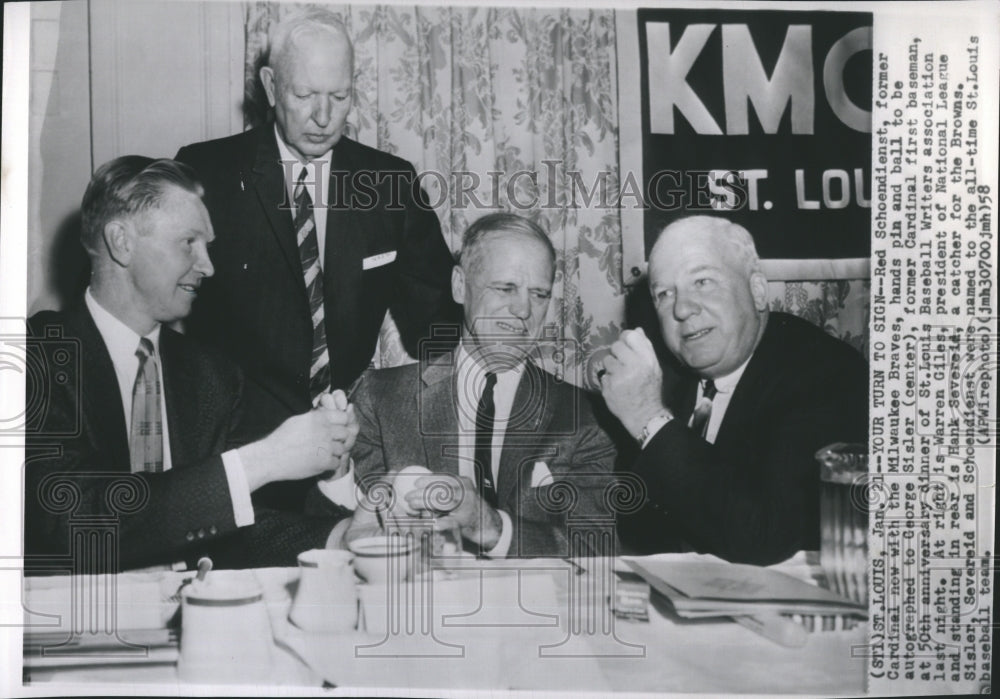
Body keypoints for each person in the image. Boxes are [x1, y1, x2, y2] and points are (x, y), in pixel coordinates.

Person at [24, 156, 357, 572]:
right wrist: (265, 459)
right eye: (188, 243)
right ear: (121, 241)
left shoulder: (212, 375)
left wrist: (341, 536)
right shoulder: (32, 355)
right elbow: (69, 518)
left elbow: (234, 526)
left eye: (208, 247)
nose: (208, 266)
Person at [174, 8, 458, 440]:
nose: (324, 117)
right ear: (271, 87)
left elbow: (437, 322)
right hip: (232, 438)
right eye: (305, 95)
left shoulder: (390, 182)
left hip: (348, 435)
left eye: (339, 97)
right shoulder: (206, 172)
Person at [325, 213, 620, 558]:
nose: (523, 309)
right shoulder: (379, 397)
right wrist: (337, 474)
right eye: (505, 288)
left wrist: (490, 526)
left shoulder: (583, 415)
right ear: (460, 286)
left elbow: (598, 550)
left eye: (539, 294)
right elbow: (341, 538)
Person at [599, 216, 868, 565]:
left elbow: (765, 538)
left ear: (757, 290)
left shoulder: (826, 374)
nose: (681, 309)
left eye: (703, 281)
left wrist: (649, 418)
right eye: (664, 294)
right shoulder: (662, 376)